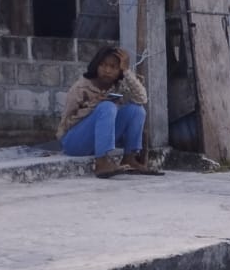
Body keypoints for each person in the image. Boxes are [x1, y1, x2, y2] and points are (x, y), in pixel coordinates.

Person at [57, 46, 162, 178]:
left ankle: (130, 158)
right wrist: (94, 106)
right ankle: (102, 163)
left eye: (113, 67)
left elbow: (142, 99)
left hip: (96, 142)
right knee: (107, 107)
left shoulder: (119, 86)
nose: (107, 70)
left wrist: (127, 72)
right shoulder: (81, 87)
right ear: (96, 65)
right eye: (103, 65)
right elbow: (67, 122)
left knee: (137, 110)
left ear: (119, 71)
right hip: (74, 143)